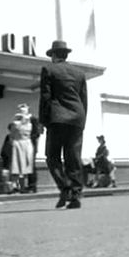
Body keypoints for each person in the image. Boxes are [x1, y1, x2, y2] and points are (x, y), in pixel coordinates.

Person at [39, 40, 88, 209]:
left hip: (57, 118)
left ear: (53, 55)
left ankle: (65, 186)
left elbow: (45, 98)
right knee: (73, 157)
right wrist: (82, 122)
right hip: (76, 119)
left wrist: (43, 120)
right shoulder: (80, 73)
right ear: (66, 55)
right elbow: (84, 100)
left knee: (52, 157)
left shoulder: (49, 70)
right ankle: (76, 194)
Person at [9, 104, 35, 193]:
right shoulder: (16, 124)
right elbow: (12, 134)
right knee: (17, 167)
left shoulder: (30, 124)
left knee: (25, 167)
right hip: (18, 144)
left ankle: (22, 186)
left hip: (26, 144)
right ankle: (16, 186)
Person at [26, 106, 43, 193]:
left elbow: (37, 133)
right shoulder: (20, 120)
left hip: (31, 145)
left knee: (30, 166)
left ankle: (32, 186)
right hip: (22, 146)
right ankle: (23, 185)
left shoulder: (33, 120)